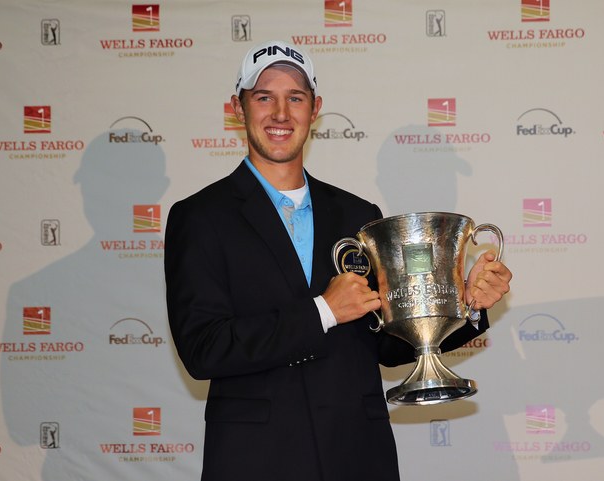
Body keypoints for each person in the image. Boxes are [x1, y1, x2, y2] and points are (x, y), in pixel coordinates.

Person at [164, 40, 512, 481]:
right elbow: (203, 349)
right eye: (264, 97)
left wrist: (464, 304)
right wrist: (322, 311)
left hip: (357, 454)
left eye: (295, 98)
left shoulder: (358, 215)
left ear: (315, 109)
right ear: (238, 108)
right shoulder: (199, 217)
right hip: (256, 459)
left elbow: (387, 344)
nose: (280, 113)